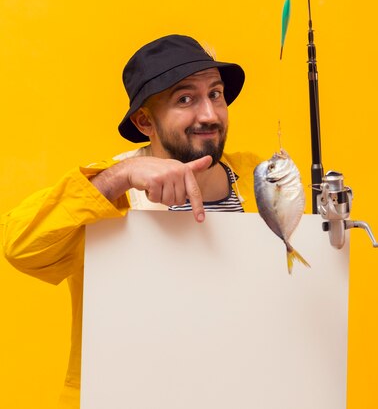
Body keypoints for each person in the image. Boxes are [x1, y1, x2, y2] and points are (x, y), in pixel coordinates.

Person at [1, 34, 261, 409]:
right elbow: (22, 247)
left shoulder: (259, 180)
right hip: (120, 396)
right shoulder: (109, 191)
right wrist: (118, 177)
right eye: (185, 99)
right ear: (144, 122)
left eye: (215, 94)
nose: (209, 114)